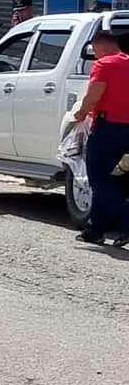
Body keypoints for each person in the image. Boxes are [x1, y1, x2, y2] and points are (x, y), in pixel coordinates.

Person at [72, 30, 129, 247]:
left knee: (99, 179)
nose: (95, 56)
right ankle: (96, 229)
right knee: (117, 180)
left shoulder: (105, 64)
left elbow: (94, 95)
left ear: (102, 48)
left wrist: (80, 113)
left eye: (95, 52)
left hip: (108, 130)